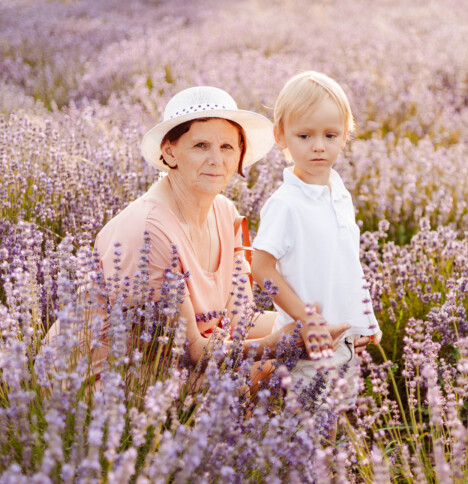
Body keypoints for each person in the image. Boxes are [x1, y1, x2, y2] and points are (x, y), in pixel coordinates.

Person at [48, 85, 349, 378]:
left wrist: (320, 326)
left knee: (314, 362)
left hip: (174, 371)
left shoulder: (225, 212)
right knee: (253, 381)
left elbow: (239, 320)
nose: (217, 160)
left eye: (227, 147)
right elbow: (185, 351)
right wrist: (276, 345)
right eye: (201, 146)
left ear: (240, 156)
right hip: (104, 385)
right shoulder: (149, 230)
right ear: (170, 152)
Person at [251, 71, 381, 410]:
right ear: (281, 136)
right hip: (306, 343)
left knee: (336, 416)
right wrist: (305, 319)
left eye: (330, 134)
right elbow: (261, 268)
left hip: (344, 335)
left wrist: (365, 320)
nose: (319, 145)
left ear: (345, 137)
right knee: (308, 427)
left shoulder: (338, 192)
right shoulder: (285, 203)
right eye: (305, 135)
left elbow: (347, 263)